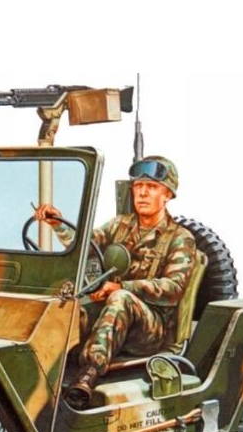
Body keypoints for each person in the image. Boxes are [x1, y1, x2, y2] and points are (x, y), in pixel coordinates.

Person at [34, 155, 197, 408]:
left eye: (152, 187)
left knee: (121, 299)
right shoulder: (121, 225)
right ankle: (40, 371)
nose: (142, 193)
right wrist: (57, 224)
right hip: (113, 313)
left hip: (151, 328)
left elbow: (173, 289)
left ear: (167, 195)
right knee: (68, 306)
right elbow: (86, 246)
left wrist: (123, 288)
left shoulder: (180, 238)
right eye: (138, 186)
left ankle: (88, 374)